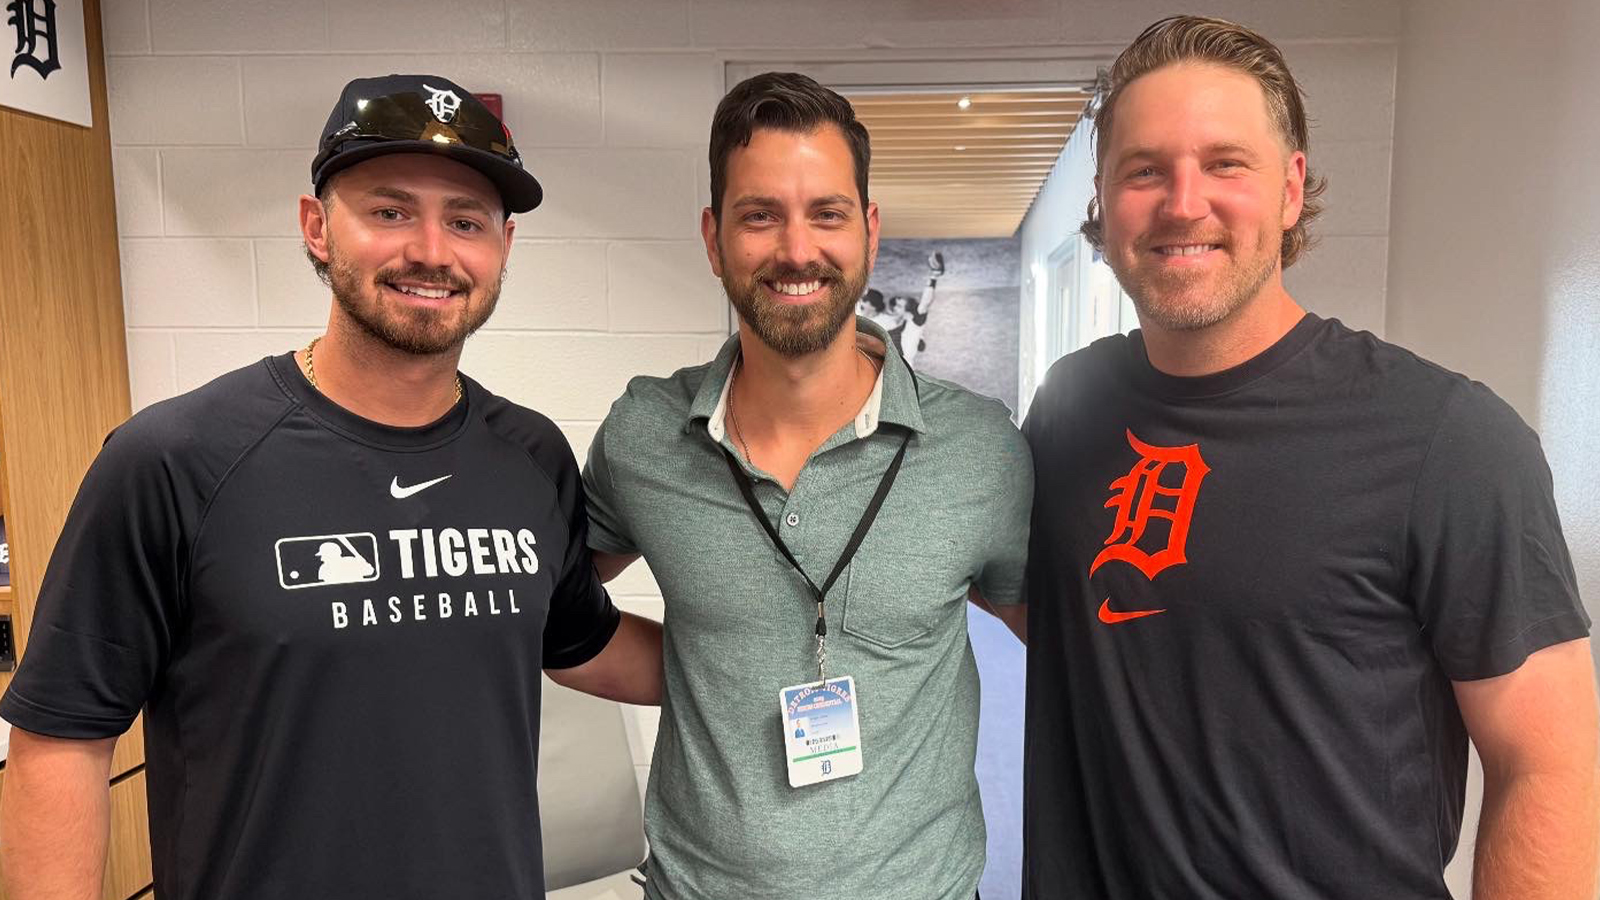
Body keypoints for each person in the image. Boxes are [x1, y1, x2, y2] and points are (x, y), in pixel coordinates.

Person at [0, 74, 662, 900]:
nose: (431, 249)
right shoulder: (172, 459)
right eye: (389, 211)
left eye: (465, 220)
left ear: (504, 245)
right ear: (317, 228)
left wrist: (771, 657)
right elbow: (61, 738)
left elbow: (580, 642)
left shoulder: (529, 455)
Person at [1019, 16, 1598, 900]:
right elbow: (1057, 609)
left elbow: (1550, 766)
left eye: (1224, 163)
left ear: (1290, 189)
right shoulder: (1067, 408)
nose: (1183, 202)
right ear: (1102, 198)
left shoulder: (1447, 439)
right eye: (1144, 170)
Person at [583, 72, 1031, 900]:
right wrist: (696, 668)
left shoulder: (979, 447)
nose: (797, 249)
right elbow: (550, 604)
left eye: (827, 213)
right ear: (715, 238)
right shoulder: (645, 435)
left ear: (867, 230)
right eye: (761, 215)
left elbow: (1077, 644)